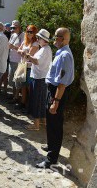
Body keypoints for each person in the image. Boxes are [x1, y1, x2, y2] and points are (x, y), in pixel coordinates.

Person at [36, 28, 74, 169]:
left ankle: (51, 159)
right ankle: (51, 146)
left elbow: (62, 83)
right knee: (51, 123)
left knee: (55, 125)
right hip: (53, 90)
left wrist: (55, 102)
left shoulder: (65, 55)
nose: (54, 40)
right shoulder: (60, 52)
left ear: (63, 39)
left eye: (56, 37)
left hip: (57, 92)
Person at [25, 29, 52, 130]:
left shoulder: (45, 49)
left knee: (37, 101)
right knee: (41, 101)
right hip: (41, 77)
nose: (38, 39)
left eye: (39, 38)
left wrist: (28, 56)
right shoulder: (45, 49)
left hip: (40, 78)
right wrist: (30, 62)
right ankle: (43, 122)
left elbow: (37, 61)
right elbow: (38, 62)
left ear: (43, 40)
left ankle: (36, 125)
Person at [16, 25, 39, 110]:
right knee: (23, 86)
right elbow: (19, 50)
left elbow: (30, 54)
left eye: (31, 32)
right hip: (23, 65)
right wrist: (24, 52)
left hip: (30, 67)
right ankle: (23, 103)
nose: (29, 33)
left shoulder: (35, 43)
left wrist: (23, 52)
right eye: (28, 31)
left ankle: (30, 105)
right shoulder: (25, 41)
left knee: (30, 87)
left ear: (34, 33)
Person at [8, 20, 25, 102]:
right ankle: (14, 95)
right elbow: (9, 44)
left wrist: (13, 47)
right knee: (12, 79)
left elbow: (23, 49)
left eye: (14, 27)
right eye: (12, 27)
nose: (12, 29)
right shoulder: (13, 35)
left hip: (19, 61)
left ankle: (16, 97)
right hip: (12, 60)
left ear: (19, 27)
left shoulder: (23, 35)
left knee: (17, 80)